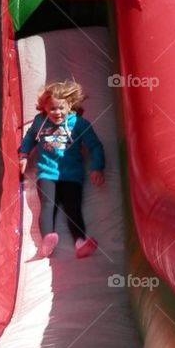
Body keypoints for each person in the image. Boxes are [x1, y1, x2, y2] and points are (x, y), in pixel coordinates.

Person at [19, 79, 105, 259]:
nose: (57, 113)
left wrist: (97, 167)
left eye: (61, 108)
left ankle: (80, 243)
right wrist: (24, 155)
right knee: (48, 205)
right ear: (45, 108)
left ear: (70, 106)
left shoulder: (79, 124)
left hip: (72, 175)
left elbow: (95, 146)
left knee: (73, 207)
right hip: (47, 173)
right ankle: (46, 243)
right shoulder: (40, 122)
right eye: (52, 109)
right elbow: (29, 138)